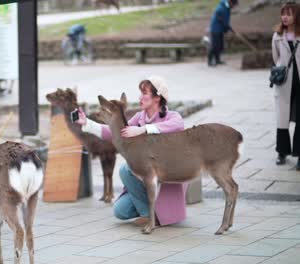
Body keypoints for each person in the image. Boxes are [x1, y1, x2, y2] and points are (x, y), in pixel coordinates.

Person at [75, 76, 188, 226]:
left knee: (125, 170)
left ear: (157, 97)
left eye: (144, 93)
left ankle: (148, 215)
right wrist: (87, 123)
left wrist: (143, 129)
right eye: (140, 93)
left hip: (164, 177)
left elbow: (178, 125)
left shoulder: (171, 116)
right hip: (144, 178)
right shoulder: (139, 117)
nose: (140, 97)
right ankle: (150, 211)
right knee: (120, 211)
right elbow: (114, 132)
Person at [272, 2, 300, 169]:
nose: (285, 17)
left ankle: (299, 154)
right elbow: (275, 59)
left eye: (289, 14)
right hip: (284, 84)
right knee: (282, 119)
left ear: (296, 16)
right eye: (283, 14)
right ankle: (282, 152)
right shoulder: (277, 36)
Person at [208, 0, 238, 67]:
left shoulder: (227, 7)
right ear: (230, 2)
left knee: (220, 46)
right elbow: (224, 21)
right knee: (215, 46)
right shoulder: (221, 8)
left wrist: (229, 29)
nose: (234, 7)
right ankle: (209, 61)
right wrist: (230, 29)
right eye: (234, 5)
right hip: (215, 29)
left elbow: (225, 21)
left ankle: (217, 60)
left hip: (220, 29)